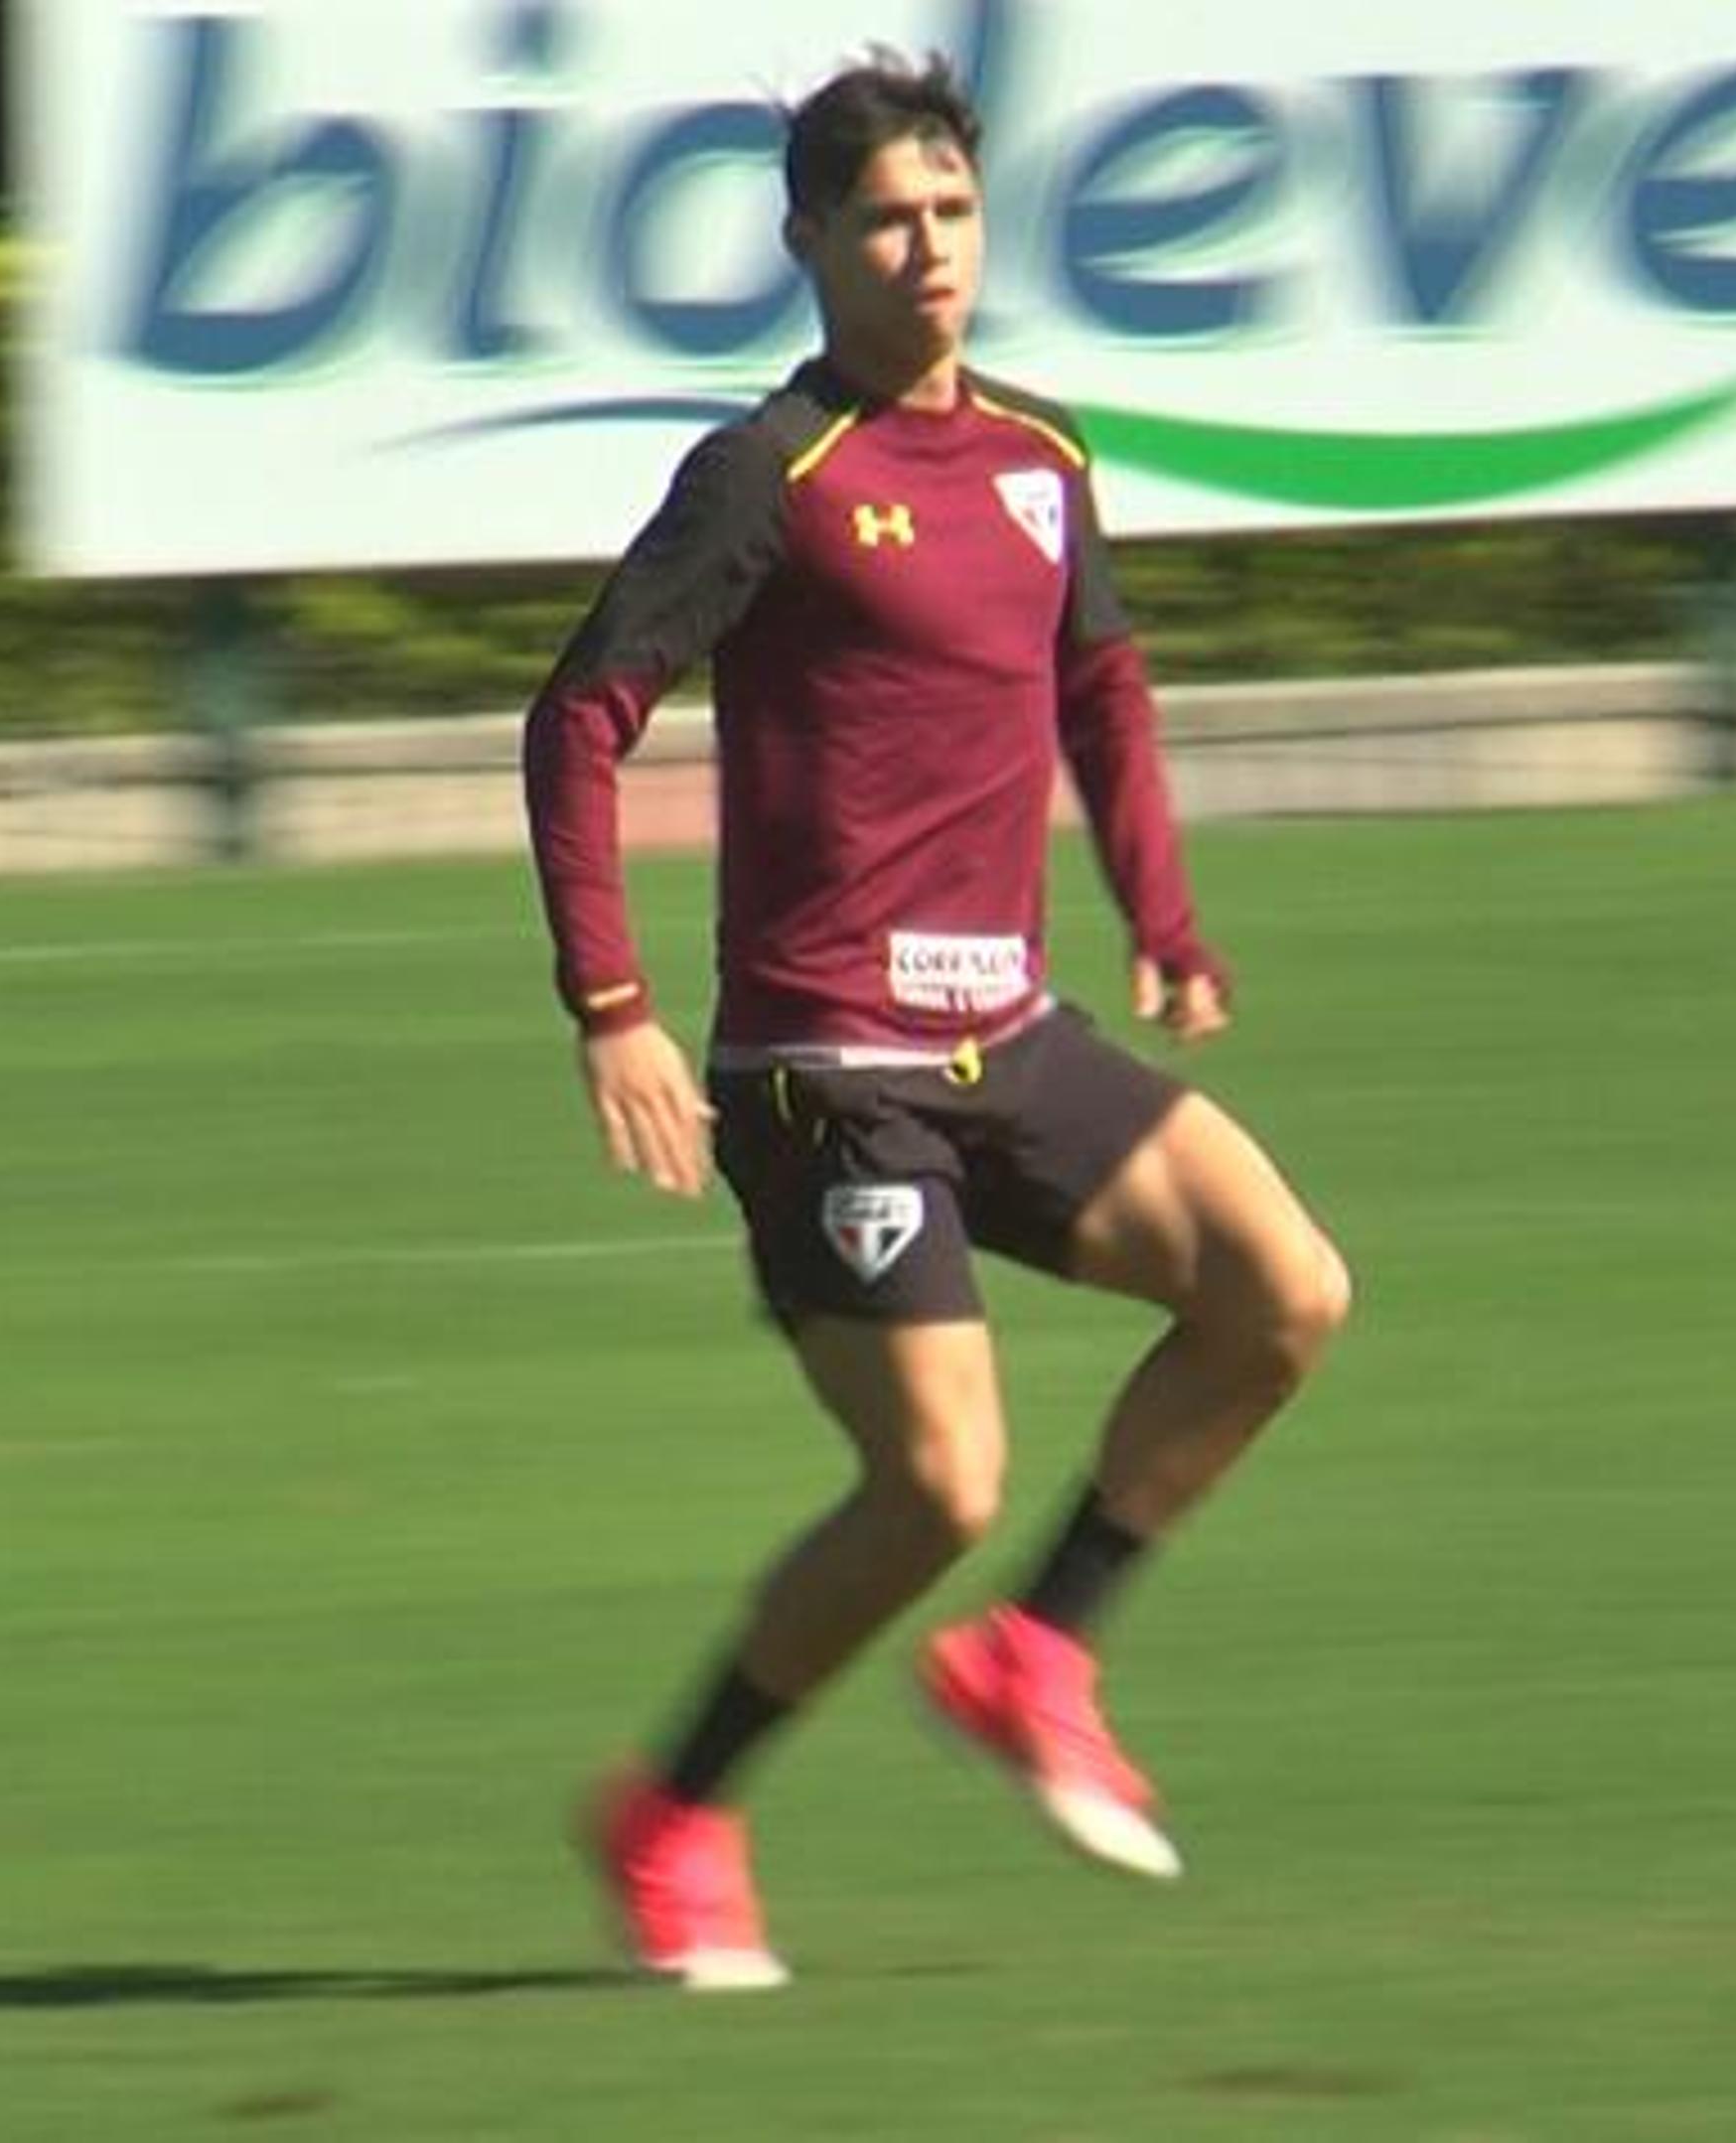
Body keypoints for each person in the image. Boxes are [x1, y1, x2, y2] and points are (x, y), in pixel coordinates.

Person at [522, 52, 1352, 1993]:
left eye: (956, 214)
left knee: (1285, 1290)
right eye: (888, 218)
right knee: (937, 1482)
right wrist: (613, 1004)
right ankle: (674, 1807)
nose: (930, 252)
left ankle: (1035, 1650)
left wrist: (1166, 914)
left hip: (1016, 1038)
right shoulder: (766, 476)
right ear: (808, 239)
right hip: (826, 1072)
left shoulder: (1044, 465)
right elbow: (579, 718)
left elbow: (1107, 689)